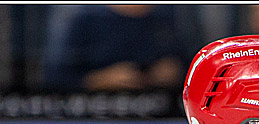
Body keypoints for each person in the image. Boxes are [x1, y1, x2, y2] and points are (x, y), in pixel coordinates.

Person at [43, 5, 189, 91]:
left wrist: (173, 72)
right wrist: (101, 80)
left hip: (160, 111)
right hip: (96, 114)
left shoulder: (165, 19)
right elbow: (56, 78)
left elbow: (189, 66)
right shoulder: (87, 19)